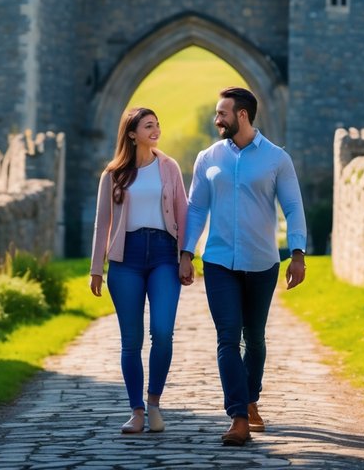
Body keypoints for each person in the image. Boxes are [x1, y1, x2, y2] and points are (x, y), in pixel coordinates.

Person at [179, 86, 307, 447]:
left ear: (243, 116)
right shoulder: (208, 157)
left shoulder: (277, 159)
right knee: (227, 337)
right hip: (218, 260)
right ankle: (238, 416)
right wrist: (187, 253)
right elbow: (196, 208)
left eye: (222, 113)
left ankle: (251, 399)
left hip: (262, 261)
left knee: (256, 338)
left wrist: (297, 253)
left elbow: (293, 208)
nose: (216, 119)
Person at [90, 106, 190, 434]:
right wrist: (96, 270)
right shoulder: (113, 174)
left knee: (162, 332)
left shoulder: (169, 167)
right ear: (132, 133)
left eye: (157, 125)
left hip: (163, 255)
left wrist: (187, 256)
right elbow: (102, 222)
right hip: (125, 259)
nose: (156, 130)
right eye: (148, 126)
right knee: (131, 340)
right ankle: (135, 411)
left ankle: (155, 403)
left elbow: (183, 213)